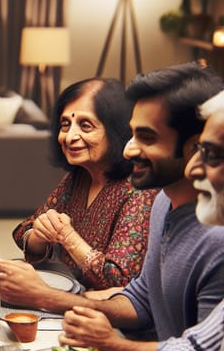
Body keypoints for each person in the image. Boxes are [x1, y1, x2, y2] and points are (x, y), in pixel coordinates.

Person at [0, 62, 224, 351]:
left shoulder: (218, 239)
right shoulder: (164, 202)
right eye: (132, 134)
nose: (130, 149)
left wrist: (49, 298)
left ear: (194, 149)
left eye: (146, 137)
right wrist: (53, 297)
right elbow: (140, 299)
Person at [117, 86, 224, 351]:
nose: (196, 169)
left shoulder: (220, 240)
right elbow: (202, 344)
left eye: (211, 155)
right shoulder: (163, 204)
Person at [13, 77, 158, 290]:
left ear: (115, 131)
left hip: (106, 315)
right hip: (69, 297)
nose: (70, 136)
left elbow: (119, 279)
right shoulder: (78, 178)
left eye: (85, 125)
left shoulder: (139, 189)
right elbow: (23, 231)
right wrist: (38, 236)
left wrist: (68, 237)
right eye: (65, 124)